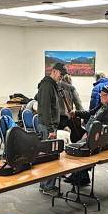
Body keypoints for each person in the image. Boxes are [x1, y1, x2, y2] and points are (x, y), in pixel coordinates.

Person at [35, 62, 67, 193]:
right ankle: (47, 185)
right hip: (47, 127)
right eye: (61, 74)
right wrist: (51, 130)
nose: (62, 77)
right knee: (50, 157)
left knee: (47, 156)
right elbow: (46, 109)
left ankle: (45, 184)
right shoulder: (48, 85)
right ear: (54, 71)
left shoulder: (50, 85)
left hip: (47, 126)